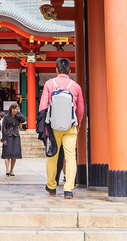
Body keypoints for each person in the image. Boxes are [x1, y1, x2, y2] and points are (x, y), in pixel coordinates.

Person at [39, 57, 85, 199]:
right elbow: (81, 109)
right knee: (71, 158)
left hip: (53, 126)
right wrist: (79, 124)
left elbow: (43, 106)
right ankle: (68, 189)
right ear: (70, 70)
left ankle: (52, 186)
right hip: (70, 126)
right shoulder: (76, 86)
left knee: (52, 156)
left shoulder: (49, 84)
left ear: (56, 69)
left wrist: (42, 126)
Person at [1, 102, 26, 176]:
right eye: (13, 109)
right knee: (7, 154)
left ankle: (12, 170)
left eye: (16, 109)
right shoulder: (6, 117)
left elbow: (23, 120)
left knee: (14, 154)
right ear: (10, 109)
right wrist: (4, 139)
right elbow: (3, 128)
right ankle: (7, 170)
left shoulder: (18, 116)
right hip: (8, 136)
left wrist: (19, 113)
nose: (15, 110)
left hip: (16, 136)